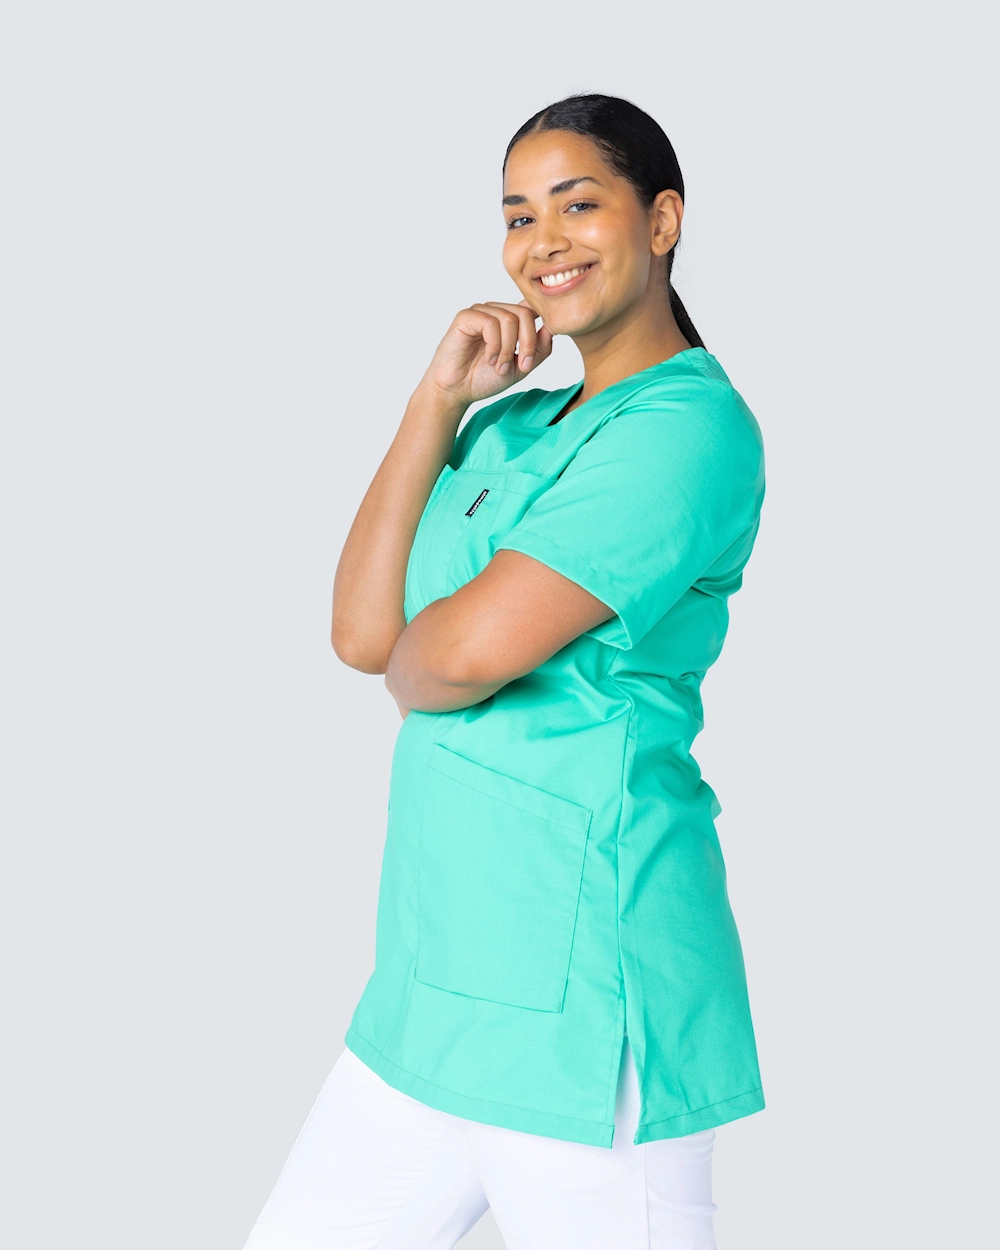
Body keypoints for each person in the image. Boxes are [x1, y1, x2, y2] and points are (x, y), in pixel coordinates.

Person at [243, 93, 766, 1250]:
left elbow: (462, 654)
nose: (543, 241)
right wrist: (436, 400)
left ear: (662, 220)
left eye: (577, 205)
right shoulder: (510, 426)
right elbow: (367, 635)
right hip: (431, 986)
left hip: (588, 1007)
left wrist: (438, 654)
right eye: (519, 215)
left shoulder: (685, 429)